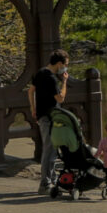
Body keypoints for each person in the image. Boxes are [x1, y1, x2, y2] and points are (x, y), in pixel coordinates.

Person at [27, 49, 69, 195]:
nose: (65, 68)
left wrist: (34, 109)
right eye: (65, 65)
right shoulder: (51, 78)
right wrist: (64, 82)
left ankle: (51, 180)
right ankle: (45, 183)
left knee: (50, 149)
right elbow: (60, 98)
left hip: (42, 116)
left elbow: (31, 91)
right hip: (51, 117)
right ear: (59, 63)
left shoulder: (40, 73)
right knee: (49, 149)